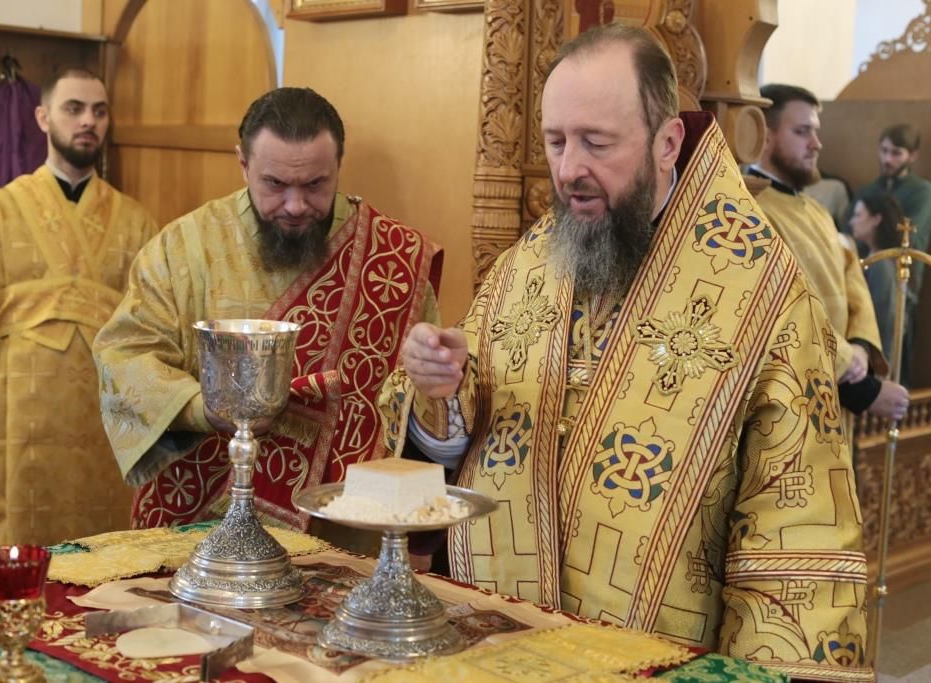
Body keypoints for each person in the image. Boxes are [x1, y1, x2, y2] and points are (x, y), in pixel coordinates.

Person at [379, 25, 870, 680]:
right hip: (496, 650)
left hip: (659, 663)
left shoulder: (762, 292)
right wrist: (438, 391)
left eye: (596, 142)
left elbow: (795, 538)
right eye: (556, 141)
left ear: (667, 143)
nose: (567, 170)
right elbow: (452, 449)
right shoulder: (529, 263)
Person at [93, 87, 443, 544]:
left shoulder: (391, 260)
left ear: (338, 165)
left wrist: (436, 368)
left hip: (340, 530)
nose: (296, 206)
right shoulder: (183, 249)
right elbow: (124, 356)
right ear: (243, 164)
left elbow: (420, 401)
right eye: (275, 184)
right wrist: (205, 409)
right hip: (205, 526)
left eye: (315, 185)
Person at [0, 68, 158, 557]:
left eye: (99, 111)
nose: (88, 121)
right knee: (11, 548)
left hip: (103, 422)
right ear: (43, 117)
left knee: (102, 556)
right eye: (74, 109)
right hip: (14, 414)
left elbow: (155, 323)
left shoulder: (137, 222)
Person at [747, 84, 908, 420]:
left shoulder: (818, 211)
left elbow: (853, 282)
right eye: (802, 131)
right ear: (764, 136)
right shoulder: (751, 211)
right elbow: (781, 309)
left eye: (815, 132)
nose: (816, 144)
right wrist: (859, 384)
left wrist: (859, 347)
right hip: (787, 407)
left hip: (836, 389)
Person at [855, 123, 931, 382]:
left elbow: (911, 240)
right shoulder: (869, 190)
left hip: (902, 285)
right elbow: (851, 234)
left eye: (896, 153)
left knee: (894, 364)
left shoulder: (921, 191)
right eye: (884, 150)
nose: (887, 159)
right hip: (864, 281)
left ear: (913, 155)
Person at [850, 192, 907, 363]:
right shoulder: (872, 259)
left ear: (876, 219)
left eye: (858, 215)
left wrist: (882, 364)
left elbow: (883, 319)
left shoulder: (881, 265)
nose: (852, 221)